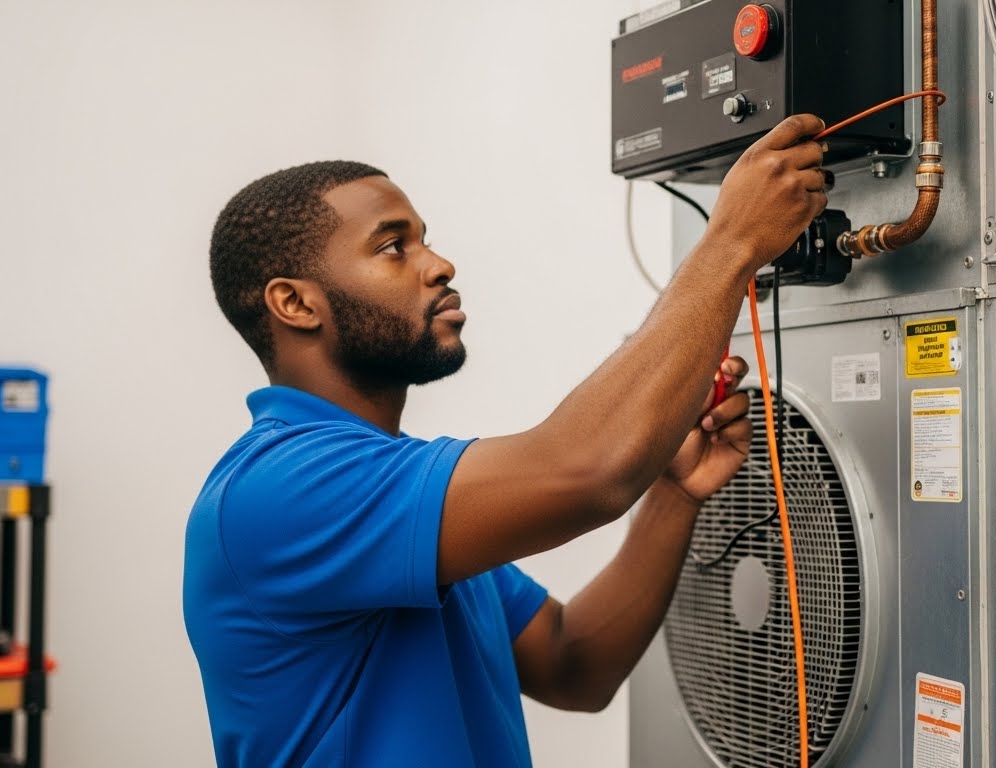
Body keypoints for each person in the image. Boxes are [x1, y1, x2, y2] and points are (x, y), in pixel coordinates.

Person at [182, 113, 829, 767]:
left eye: (424, 240)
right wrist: (730, 242)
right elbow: (585, 469)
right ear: (295, 304)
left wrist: (674, 492)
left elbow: (573, 663)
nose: (439, 265)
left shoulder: (400, 495)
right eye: (391, 247)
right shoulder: (283, 488)